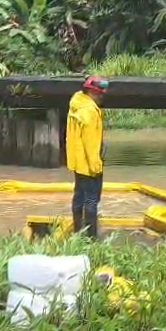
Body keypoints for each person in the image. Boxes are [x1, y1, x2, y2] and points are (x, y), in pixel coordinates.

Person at [65, 76, 109, 239]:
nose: (101, 96)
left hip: (78, 163)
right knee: (91, 200)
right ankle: (91, 237)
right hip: (90, 165)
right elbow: (90, 143)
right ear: (91, 91)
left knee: (78, 196)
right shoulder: (90, 111)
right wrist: (96, 166)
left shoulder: (76, 105)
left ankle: (78, 231)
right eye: (99, 93)